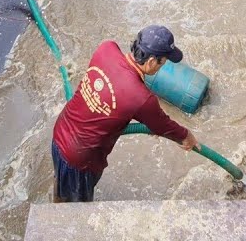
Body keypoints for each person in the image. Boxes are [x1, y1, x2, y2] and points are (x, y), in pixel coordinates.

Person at [50, 25, 199, 202]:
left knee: (61, 187)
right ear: (151, 61)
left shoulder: (106, 48)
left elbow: (116, 102)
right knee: (72, 212)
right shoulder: (142, 98)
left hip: (60, 134)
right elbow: (164, 126)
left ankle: (58, 199)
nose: (163, 66)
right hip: (80, 160)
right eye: (163, 62)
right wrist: (187, 136)